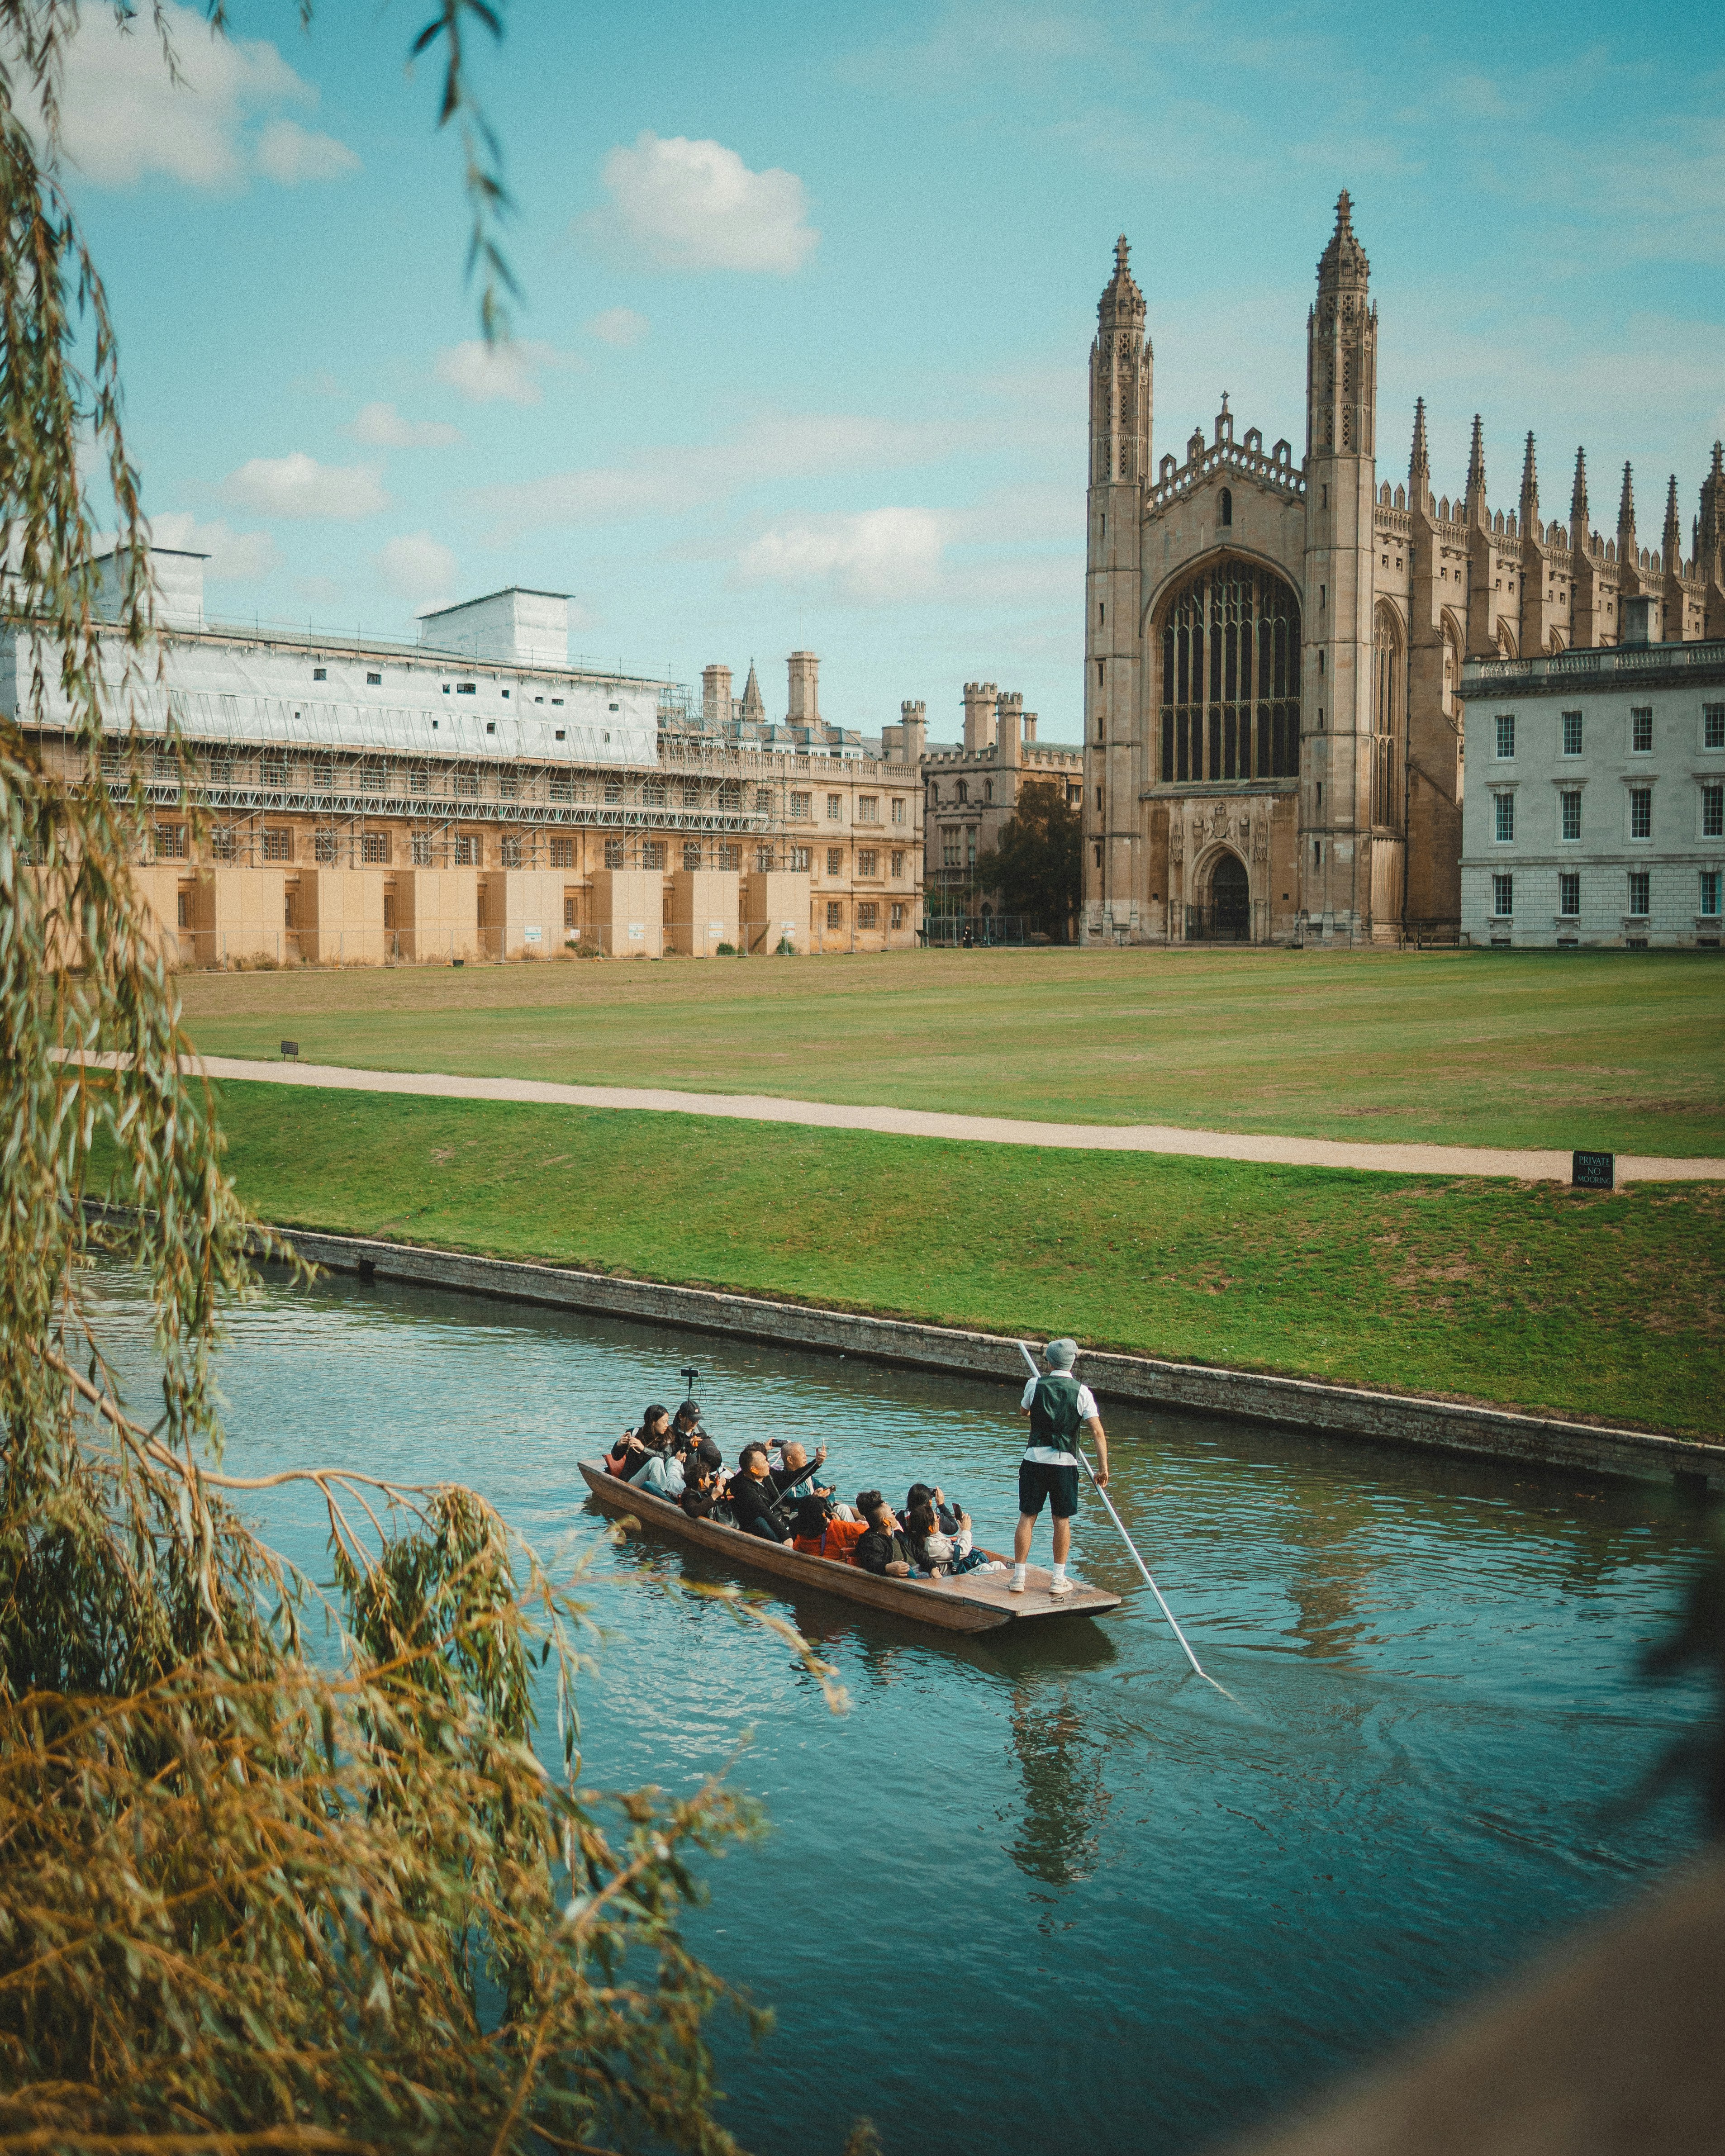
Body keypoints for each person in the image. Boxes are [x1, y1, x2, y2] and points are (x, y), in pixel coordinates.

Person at [1012, 1337, 1108, 1597]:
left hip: (1034, 1460)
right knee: (1061, 1521)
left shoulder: (1035, 1384)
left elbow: (1023, 1412)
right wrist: (1103, 1469)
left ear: (1049, 1361)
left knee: (1027, 1517)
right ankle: (1058, 1580)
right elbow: (1098, 1433)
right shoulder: (1082, 1392)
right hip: (1065, 1464)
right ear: (1073, 1361)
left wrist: (1037, 1408)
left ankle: (1018, 1578)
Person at [905, 1499, 1002, 1578]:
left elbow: (955, 1547)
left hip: (962, 1570)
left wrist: (962, 1527)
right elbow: (962, 1552)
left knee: (997, 1565)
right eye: (937, 1519)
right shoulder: (931, 1546)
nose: (939, 1520)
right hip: (953, 1579)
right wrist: (966, 1531)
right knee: (984, 1568)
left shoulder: (934, 1535)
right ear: (930, 1528)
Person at [726, 1442, 792, 1542]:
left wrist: (816, 1464)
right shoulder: (744, 1488)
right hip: (753, 1522)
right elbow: (764, 1512)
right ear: (754, 1470)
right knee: (763, 1524)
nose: (768, 1464)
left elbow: (790, 1479)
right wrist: (786, 1537)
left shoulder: (764, 1476)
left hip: (770, 1514)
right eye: (764, 1462)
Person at [852, 1492, 922, 1578]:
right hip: (910, 1577)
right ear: (886, 1521)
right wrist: (887, 1568)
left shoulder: (899, 1535)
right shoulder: (870, 1540)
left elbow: (920, 1553)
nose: (895, 1515)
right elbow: (871, 1561)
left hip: (920, 1571)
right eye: (893, 1512)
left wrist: (934, 1567)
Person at [607, 1404, 671, 1478]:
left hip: (653, 1481)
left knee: (668, 1461)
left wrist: (643, 1449)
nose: (667, 1425)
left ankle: (662, 1489)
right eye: (664, 1422)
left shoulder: (666, 1437)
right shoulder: (634, 1433)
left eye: (668, 1422)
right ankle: (662, 1490)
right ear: (653, 1422)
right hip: (632, 1480)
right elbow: (616, 1457)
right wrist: (619, 1445)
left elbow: (666, 1457)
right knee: (656, 1461)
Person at [679, 1439, 724, 1520]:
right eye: (707, 1477)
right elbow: (694, 1512)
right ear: (701, 1481)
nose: (709, 1479)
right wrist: (714, 1496)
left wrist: (724, 1481)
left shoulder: (706, 1489)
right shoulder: (688, 1495)